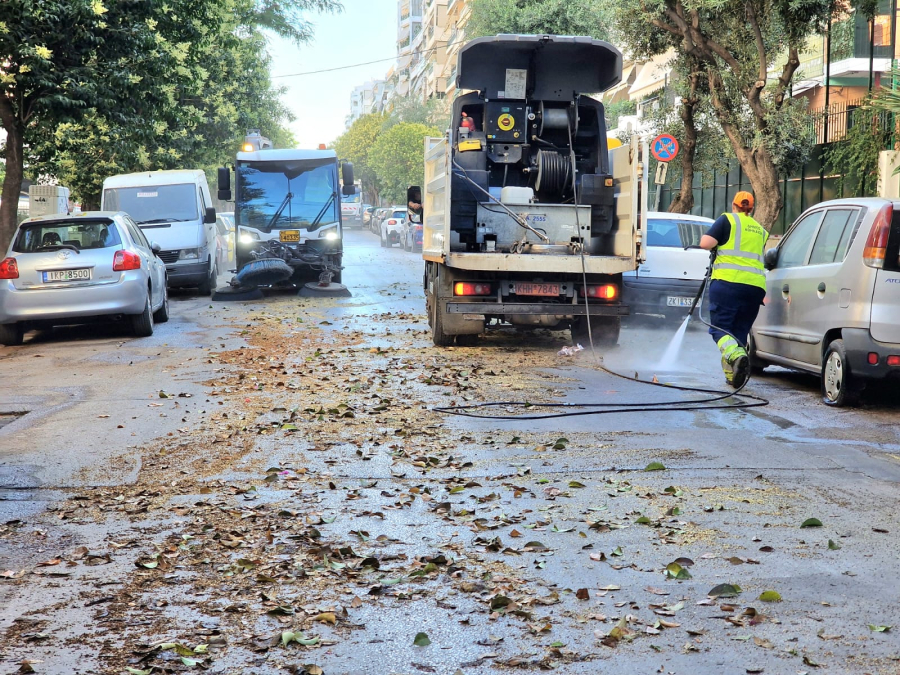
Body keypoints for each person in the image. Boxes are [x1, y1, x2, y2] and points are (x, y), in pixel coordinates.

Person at [699, 191, 769, 388]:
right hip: (755, 289)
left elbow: (705, 244)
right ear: (751, 208)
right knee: (738, 333)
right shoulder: (760, 230)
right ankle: (734, 376)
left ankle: (737, 356)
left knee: (719, 329)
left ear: (734, 205)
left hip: (728, 284)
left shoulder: (727, 220)